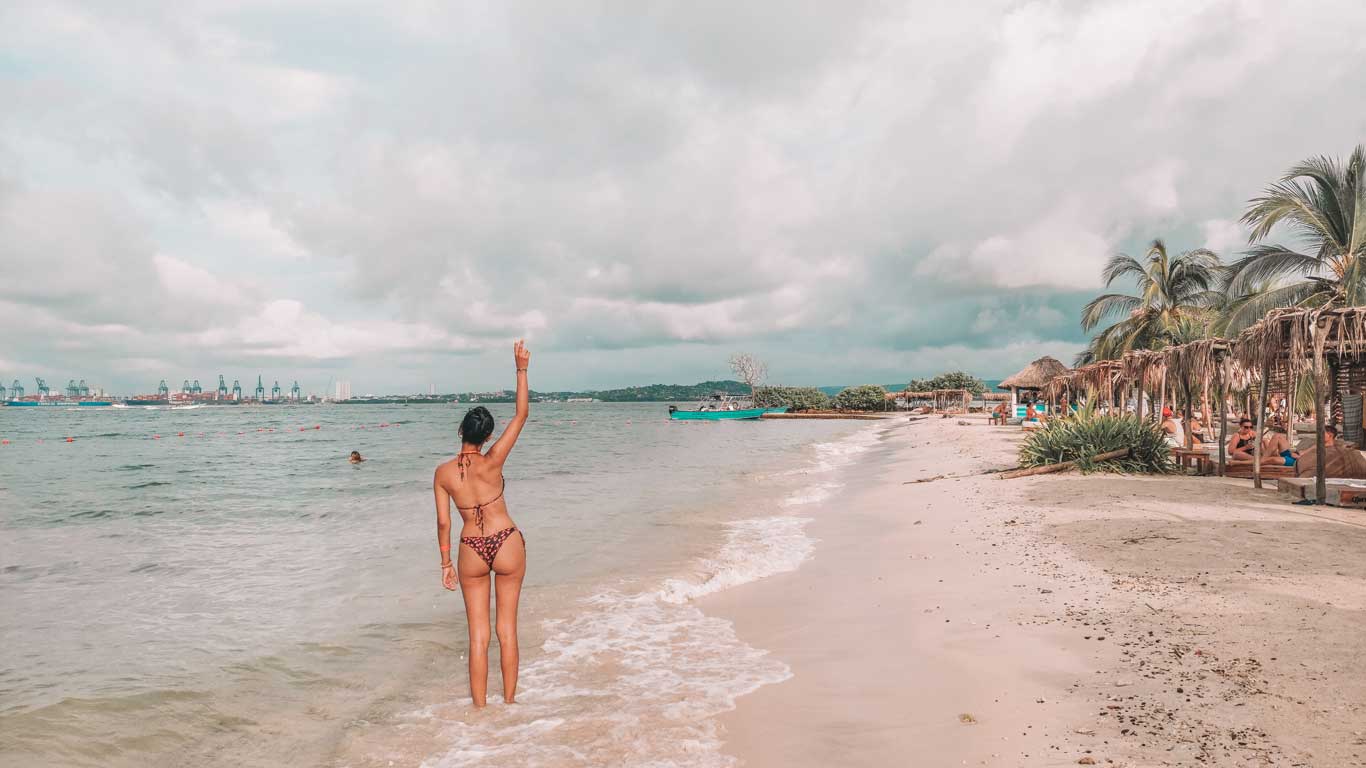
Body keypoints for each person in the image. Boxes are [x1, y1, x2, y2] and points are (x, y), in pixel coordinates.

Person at [434, 340, 532, 707]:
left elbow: (444, 524)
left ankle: (479, 715)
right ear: (488, 436)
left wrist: (445, 564)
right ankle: (509, 706)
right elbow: (521, 415)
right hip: (506, 541)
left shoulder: (442, 473)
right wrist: (521, 369)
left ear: (460, 430)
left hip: (471, 548)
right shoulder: (493, 461)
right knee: (507, 631)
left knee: (478, 637)